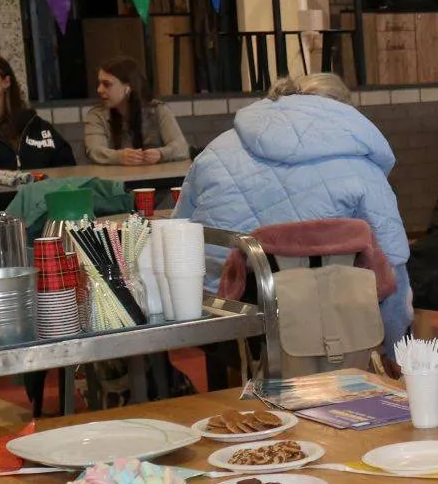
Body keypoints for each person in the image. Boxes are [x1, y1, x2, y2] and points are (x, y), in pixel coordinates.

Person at [174, 71, 412, 343]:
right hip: (333, 326)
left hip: (230, 316)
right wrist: (396, 349)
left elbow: (180, 232)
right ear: (342, 113)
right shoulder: (361, 164)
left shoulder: (215, 151)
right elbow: (394, 266)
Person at [82, 58, 188, 166]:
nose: (99, 90)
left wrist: (160, 154)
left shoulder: (158, 110)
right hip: (114, 180)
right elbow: (94, 151)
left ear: (128, 88)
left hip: (155, 177)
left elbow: (182, 148)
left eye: (106, 84)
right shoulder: (97, 115)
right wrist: (119, 157)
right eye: (99, 83)